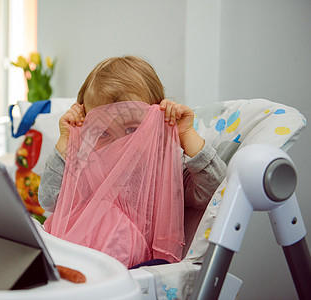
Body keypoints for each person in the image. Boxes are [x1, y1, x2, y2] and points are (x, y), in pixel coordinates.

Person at [39, 56, 227, 268]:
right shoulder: (89, 165)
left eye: (132, 130)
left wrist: (186, 134)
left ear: (156, 123)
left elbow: (215, 192)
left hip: (133, 272)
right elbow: (50, 200)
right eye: (104, 133)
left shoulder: (165, 169)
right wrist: (67, 142)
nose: (121, 144)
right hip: (73, 263)